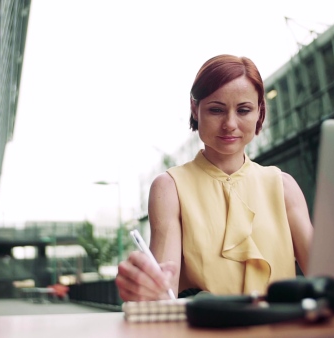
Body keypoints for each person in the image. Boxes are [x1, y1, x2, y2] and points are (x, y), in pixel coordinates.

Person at [115, 54, 314, 301]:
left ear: (260, 110)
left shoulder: (283, 186)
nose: (230, 124)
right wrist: (146, 288)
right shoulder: (170, 188)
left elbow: (328, 278)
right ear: (194, 109)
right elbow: (163, 294)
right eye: (216, 110)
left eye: (244, 110)